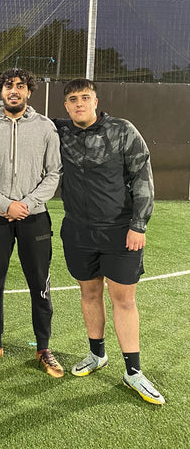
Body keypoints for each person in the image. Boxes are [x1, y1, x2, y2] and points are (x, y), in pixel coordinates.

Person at [55, 78, 164, 404]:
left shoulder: (122, 130)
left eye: (84, 97)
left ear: (95, 100)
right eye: (72, 99)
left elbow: (142, 175)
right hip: (78, 230)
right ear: (65, 105)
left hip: (120, 230)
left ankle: (133, 372)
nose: (78, 104)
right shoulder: (60, 132)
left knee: (124, 299)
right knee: (89, 293)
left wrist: (139, 225)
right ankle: (97, 354)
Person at [0, 68, 64, 377]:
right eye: (9, 85)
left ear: (29, 91)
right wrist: (4, 204)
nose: (14, 90)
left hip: (34, 218)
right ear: (0, 91)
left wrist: (25, 204)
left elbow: (54, 173)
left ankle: (43, 348)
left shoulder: (46, 127)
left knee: (40, 285)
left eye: (20, 86)